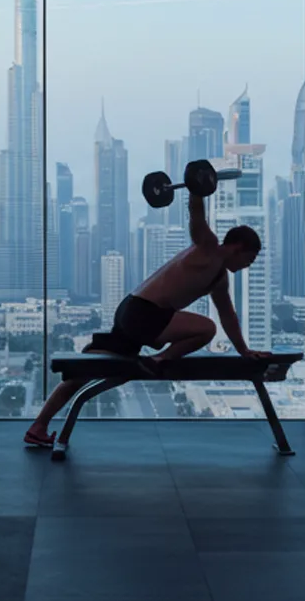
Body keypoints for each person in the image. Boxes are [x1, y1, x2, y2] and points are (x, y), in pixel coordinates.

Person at [24, 178, 267, 449]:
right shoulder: (208, 247)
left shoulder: (220, 279)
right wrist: (196, 189)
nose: (248, 265)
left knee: (83, 371)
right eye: (250, 258)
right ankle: (160, 359)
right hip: (144, 314)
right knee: (207, 329)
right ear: (237, 247)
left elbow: (229, 316)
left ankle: (38, 427)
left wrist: (244, 350)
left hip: (131, 312)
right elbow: (197, 215)